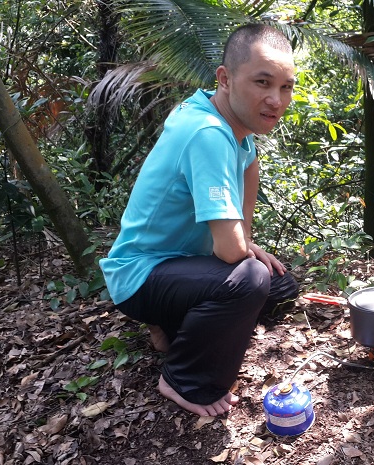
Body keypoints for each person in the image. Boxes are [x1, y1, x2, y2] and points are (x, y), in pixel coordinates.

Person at [99, 23, 299, 417]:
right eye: (262, 82)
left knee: (279, 285)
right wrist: (242, 250)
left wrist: (247, 243)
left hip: (178, 267)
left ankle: (167, 326)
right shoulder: (207, 133)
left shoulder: (229, 123)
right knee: (251, 279)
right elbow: (230, 252)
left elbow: (248, 171)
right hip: (140, 275)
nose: (276, 100)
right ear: (225, 78)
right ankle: (183, 380)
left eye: (286, 87)